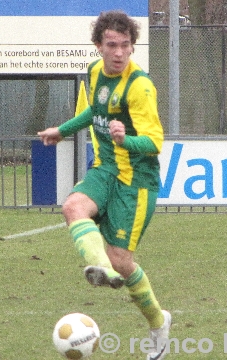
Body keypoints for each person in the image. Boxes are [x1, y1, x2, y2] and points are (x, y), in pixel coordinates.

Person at [37, 10, 171, 360]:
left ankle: (158, 322)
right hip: (105, 168)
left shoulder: (139, 86)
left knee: (122, 260)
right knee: (72, 207)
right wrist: (62, 131)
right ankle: (100, 269)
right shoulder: (95, 72)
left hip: (136, 182)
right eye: (112, 45)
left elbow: (155, 142)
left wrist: (127, 139)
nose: (119, 52)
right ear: (98, 46)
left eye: (126, 45)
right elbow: (92, 113)